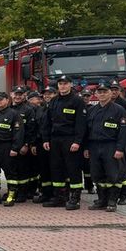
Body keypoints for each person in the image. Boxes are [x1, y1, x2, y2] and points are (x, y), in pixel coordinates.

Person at [42, 75, 87, 210]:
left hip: (70, 139)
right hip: (55, 140)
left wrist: (77, 141)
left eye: (65, 83)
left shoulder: (77, 101)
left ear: (71, 85)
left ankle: (75, 198)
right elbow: (47, 122)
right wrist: (46, 139)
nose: (62, 86)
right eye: (60, 84)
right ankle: (59, 197)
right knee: (56, 168)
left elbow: (81, 124)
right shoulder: (54, 101)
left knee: (73, 168)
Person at [83, 82, 126, 212]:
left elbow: (124, 131)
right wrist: (86, 147)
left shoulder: (119, 110)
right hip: (94, 146)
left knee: (113, 174)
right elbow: (86, 131)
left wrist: (120, 149)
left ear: (111, 93)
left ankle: (112, 201)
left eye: (105, 91)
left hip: (111, 145)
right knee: (97, 174)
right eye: (99, 92)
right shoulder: (92, 110)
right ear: (96, 94)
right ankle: (101, 200)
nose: (102, 94)